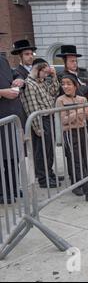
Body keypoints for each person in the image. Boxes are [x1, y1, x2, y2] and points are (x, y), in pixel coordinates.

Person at [55, 73, 88, 202]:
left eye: (69, 84)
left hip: (82, 131)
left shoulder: (82, 99)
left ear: (75, 86)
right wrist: (78, 112)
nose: (65, 86)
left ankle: (79, 184)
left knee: (83, 159)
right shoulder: (60, 100)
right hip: (69, 133)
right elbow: (64, 120)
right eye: (63, 84)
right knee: (76, 161)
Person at [56, 45, 88, 180]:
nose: (74, 63)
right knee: (72, 152)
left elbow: (87, 89)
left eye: (75, 61)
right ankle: (75, 177)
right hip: (70, 115)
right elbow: (66, 93)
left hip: (83, 112)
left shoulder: (81, 74)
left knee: (85, 144)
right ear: (65, 62)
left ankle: (86, 169)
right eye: (71, 61)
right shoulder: (62, 77)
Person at [20, 58, 62, 188]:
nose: (46, 75)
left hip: (48, 118)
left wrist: (54, 76)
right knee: (41, 150)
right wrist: (37, 127)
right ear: (37, 70)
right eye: (44, 72)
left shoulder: (40, 82)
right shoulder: (29, 85)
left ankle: (49, 172)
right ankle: (43, 178)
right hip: (40, 119)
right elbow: (32, 107)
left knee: (49, 149)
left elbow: (53, 92)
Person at [0, 55, 27, 204]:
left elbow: (14, 73)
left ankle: (13, 187)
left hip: (12, 115)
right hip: (1, 117)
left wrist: (19, 79)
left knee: (13, 155)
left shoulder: (2, 59)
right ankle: (2, 192)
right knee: (1, 158)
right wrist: (2, 92)